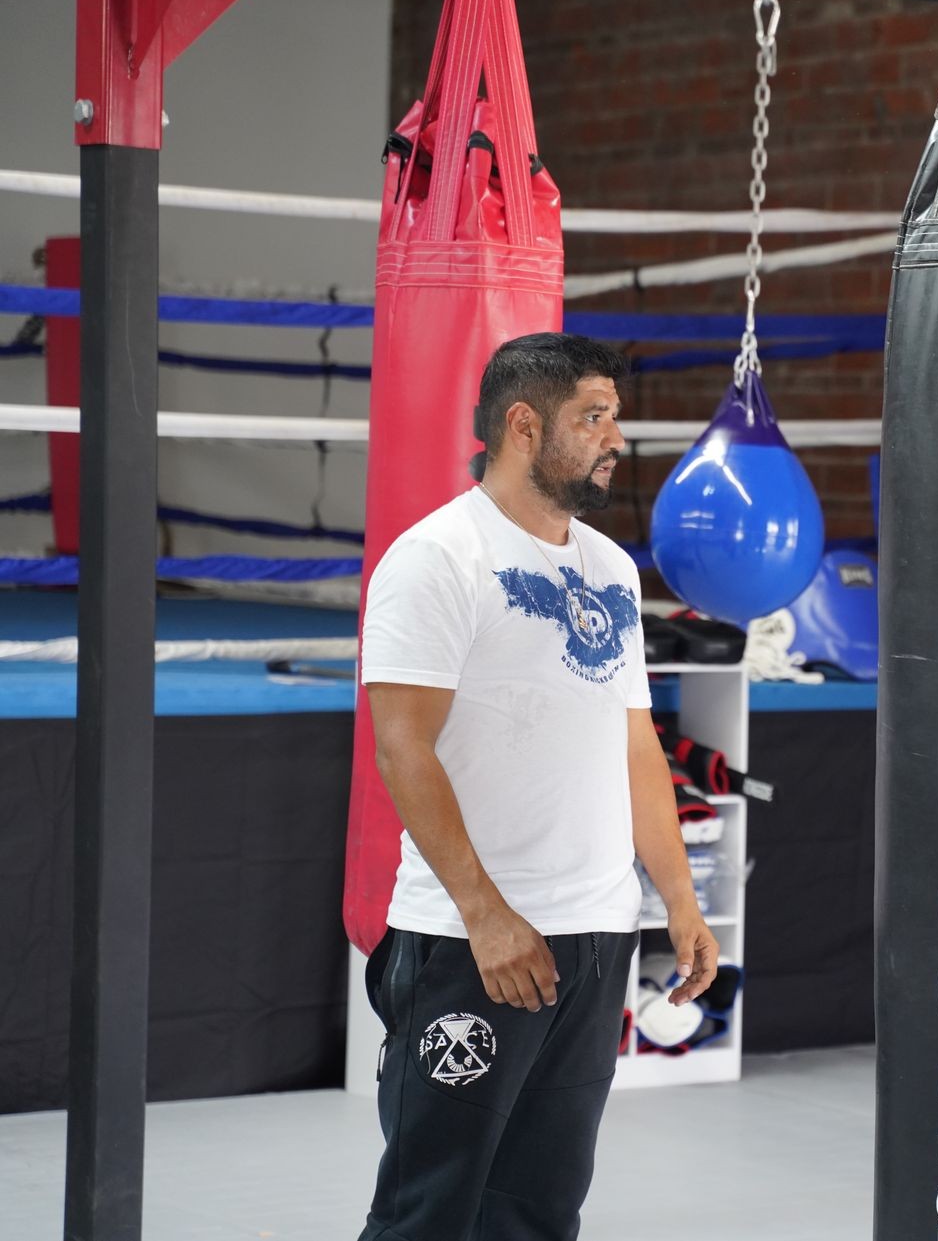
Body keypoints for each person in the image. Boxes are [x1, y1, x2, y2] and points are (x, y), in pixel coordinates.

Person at [357, 331, 718, 1241]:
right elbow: (404, 747)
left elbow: (634, 742)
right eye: (593, 416)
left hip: (595, 940)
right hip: (468, 945)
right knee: (427, 1212)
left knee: (539, 1212)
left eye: (615, 416)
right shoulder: (437, 558)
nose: (614, 437)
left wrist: (678, 900)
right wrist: (486, 914)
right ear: (523, 426)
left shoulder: (610, 569)